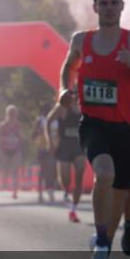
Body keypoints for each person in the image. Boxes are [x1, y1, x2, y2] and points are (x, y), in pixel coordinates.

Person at [56, 0, 130, 259]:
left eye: (115, 3)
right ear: (95, 7)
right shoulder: (81, 40)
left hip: (128, 128)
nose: (110, 8)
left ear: (122, 6)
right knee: (104, 174)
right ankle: (102, 247)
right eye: (104, 3)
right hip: (95, 124)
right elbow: (67, 68)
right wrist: (64, 90)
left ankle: (104, 243)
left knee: (120, 194)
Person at [47, 93, 85, 223]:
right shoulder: (62, 105)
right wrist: (50, 142)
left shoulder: (83, 103)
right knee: (66, 179)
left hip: (79, 145)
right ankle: (66, 192)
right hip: (64, 145)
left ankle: (73, 209)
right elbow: (48, 120)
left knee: (80, 172)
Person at [32, 102, 57, 204]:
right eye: (46, 110)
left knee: (52, 171)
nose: (48, 112)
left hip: (53, 148)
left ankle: (50, 191)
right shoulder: (40, 120)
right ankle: (40, 193)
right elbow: (33, 135)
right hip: (42, 148)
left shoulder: (56, 120)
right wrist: (40, 131)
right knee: (43, 171)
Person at [0, 105, 23, 199]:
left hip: (15, 149)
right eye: (10, 113)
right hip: (5, 149)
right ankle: (4, 180)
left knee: (15, 171)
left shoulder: (18, 125)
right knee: (5, 169)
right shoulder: (3, 125)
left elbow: (20, 137)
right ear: (7, 114)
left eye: (13, 113)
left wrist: (18, 142)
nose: (12, 115)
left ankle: (15, 192)